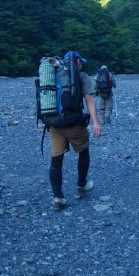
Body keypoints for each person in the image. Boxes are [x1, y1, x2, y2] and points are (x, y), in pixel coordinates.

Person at [49, 51, 102, 211]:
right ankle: (82, 184)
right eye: (81, 62)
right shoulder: (82, 76)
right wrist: (95, 122)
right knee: (84, 151)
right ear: (77, 62)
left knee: (56, 161)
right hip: (73, 124)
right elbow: (89, 100)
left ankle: (58, 198)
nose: (82, 65)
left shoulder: (53, 75)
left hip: (54, 124)